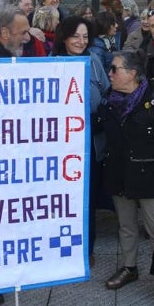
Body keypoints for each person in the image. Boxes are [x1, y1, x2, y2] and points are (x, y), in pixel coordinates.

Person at [95, 50, 154, 306]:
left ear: (132, 74)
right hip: (119, 175)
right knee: (126, 226)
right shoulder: (109, 102)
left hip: (151, 178)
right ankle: (129, 267)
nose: (110, 74)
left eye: (114, 69)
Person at [55, 16, 110, 258]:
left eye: (85, 37)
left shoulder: (94, 60)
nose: (81, 41)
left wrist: (102, 115)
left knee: (87, 196)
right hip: (62, 144)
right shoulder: (50, 63)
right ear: (65, 37)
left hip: (91, 142)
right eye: (76, 36)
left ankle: (86, 247)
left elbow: (107, 92)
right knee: (64, 199)